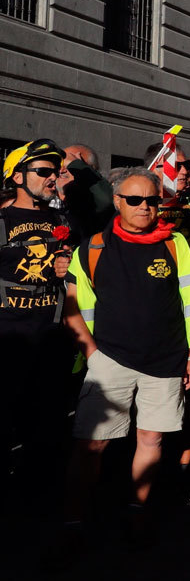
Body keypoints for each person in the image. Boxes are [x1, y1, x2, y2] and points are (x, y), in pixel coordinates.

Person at [63, 169, 190, 528]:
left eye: (152, 200)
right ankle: (74, 522)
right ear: (117, 202)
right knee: (91, 444)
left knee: (151, 439)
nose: (144, 206)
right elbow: (73, 308)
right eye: (134, 199)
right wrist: (93, 354)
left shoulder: (175, 243)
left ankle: (137, 512)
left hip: (166, 359)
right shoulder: (93, 247)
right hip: (109, 360)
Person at [1, 140, 75, 499]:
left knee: (47, 424)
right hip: (8, 339)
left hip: (51, 337)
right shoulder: (2, 220)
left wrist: (68, 266)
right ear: (17, 177)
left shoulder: (62, 220)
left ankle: (38, 495)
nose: (52, 178)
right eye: (43, 171)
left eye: (55, 171)